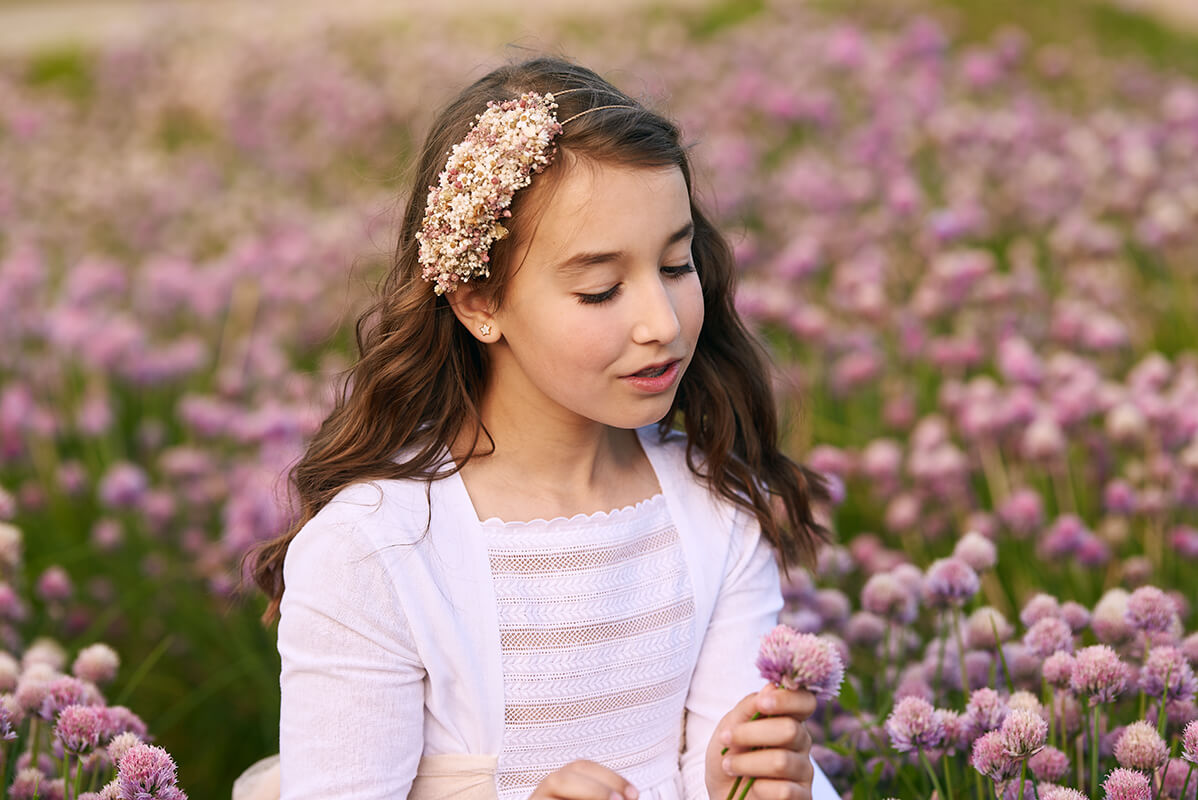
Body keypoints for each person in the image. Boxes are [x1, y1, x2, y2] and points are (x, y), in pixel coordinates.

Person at [240, 56, 839, 800]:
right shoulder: (379, 548)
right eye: (600, 290)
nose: (662, 322)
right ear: (477, 303)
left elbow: (711, 762)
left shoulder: (716, 504)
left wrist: (741, 780)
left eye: (677, 265)